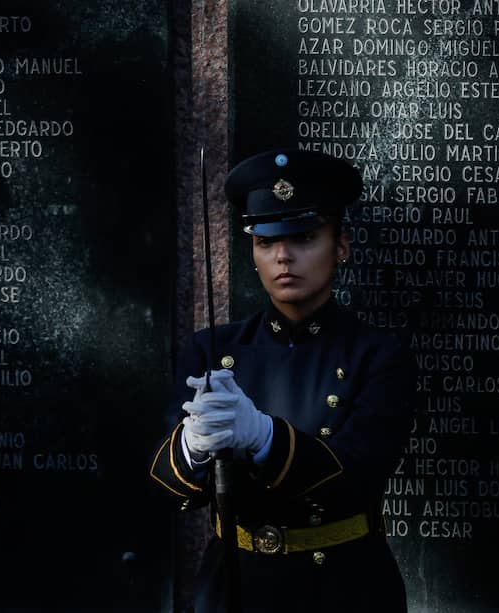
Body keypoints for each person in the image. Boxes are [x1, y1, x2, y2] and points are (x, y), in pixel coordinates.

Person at [149, 148, 415, 612]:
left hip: (343, 587)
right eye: (265, 242)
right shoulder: (211, 350)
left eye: (305, 237)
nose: (283, 257)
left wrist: (263, 435)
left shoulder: (379, 355)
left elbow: (356, 475)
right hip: (234, 583)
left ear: (342, 246)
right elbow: (168, 487)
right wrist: (192, 444)